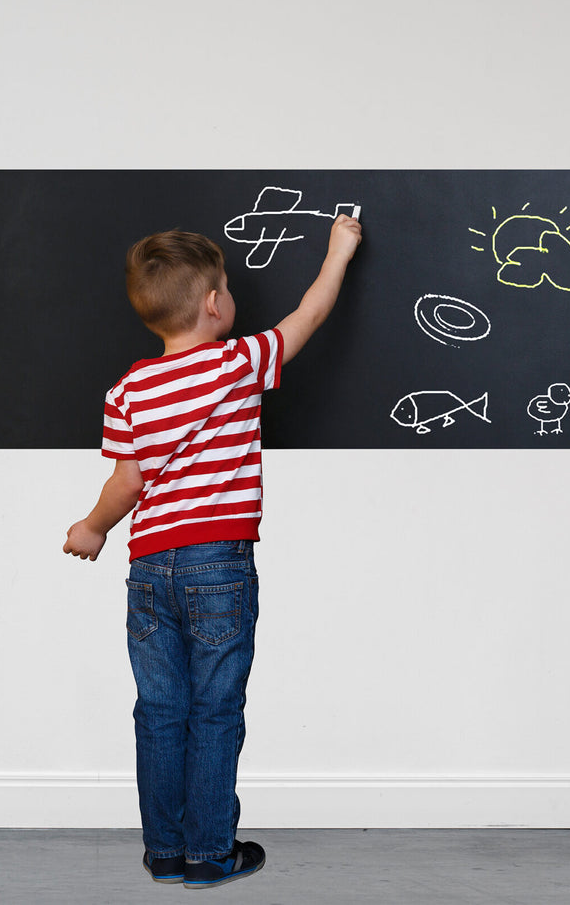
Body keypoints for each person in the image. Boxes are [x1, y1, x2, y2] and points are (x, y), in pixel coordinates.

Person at [63, 216, 363, 888]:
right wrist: (338, 250)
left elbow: (127, 480)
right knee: (215, 709)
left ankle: (164, 850)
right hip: (217, 565)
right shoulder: (237, 363)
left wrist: (92, 527)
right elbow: (308, 316)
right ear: (213, 304)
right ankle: (208, 854)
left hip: (148, 567)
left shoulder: (129, 390)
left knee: (160, 711)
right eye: (226, 285)